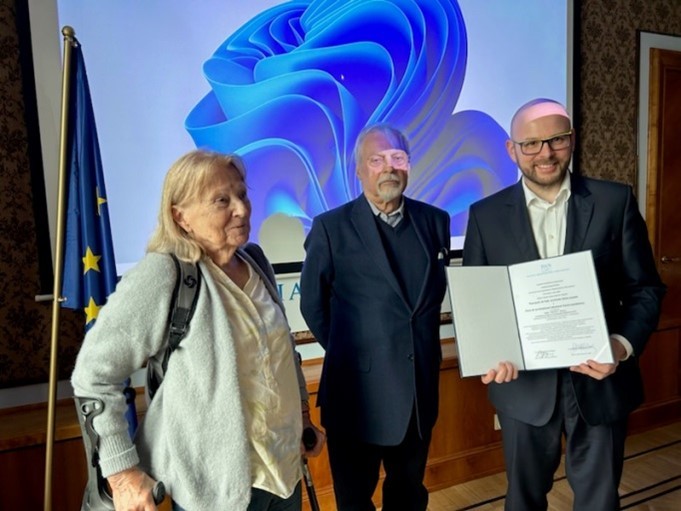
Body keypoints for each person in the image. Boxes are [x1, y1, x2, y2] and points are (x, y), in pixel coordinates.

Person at [71, 149, 324, 511]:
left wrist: (302, 416)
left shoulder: (257, 263)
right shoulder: (164, 275)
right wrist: (122, 473)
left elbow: (282, 354)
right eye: (222, 200)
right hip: (217, 493)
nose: (241, 208)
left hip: (284, 475)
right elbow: (92, 375)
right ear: (181, 216)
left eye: (242, 194)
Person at [462, 98, 666, 511]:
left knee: (599, 501)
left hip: (600, 381)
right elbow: (480, 300)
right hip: (522, 386)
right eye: (532, 144)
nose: (545, 154)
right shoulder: (485, 215)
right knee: (523, 501)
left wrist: (620, 345)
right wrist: (490, 352)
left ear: (571, 140)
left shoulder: (615, 202)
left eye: (556, 140)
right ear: (511, 149)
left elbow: (645, 288)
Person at [299, 124, 451, 511]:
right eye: (377, 159)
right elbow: (313, 305)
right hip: (356, 394)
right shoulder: (330, 228)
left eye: (398, 158)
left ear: (409, 166)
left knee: (408, 495)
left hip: (418, 392)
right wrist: (358, 354)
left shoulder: (435, 223)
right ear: (359, 171)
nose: (389, 168)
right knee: (354, 500)